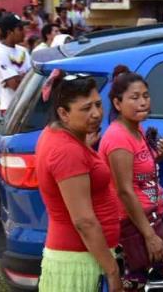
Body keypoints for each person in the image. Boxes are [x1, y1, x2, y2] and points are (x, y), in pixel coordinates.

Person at [99, 66, 163, 290]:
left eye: (145, 96)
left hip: (147, 219)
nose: (143, 102)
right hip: (134, 225)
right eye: (134, 98)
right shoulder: (118, 138)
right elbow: (124, 190)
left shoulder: (137, 129)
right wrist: (150, 235)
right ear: (117, 104)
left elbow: (140, 173)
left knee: (132, 283)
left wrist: (159, 155)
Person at [35, 71, 122, 292]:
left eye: (98, 104)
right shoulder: (66, 151)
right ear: (63, 113)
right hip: (80, 259)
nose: (96, 114)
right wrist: (112, 272)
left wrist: (83, 143)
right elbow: (84, 221)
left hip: (83, 256)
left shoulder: (60, 134)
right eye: (86, 109)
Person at [0, 14, 31, 116]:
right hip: (11, 108)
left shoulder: (23, 50)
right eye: (20, 28)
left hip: (28, 105)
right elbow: (15, 85)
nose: (24, 32)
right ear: (9, 32)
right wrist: (26, 78)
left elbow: (33, 77)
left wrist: (20, 77)